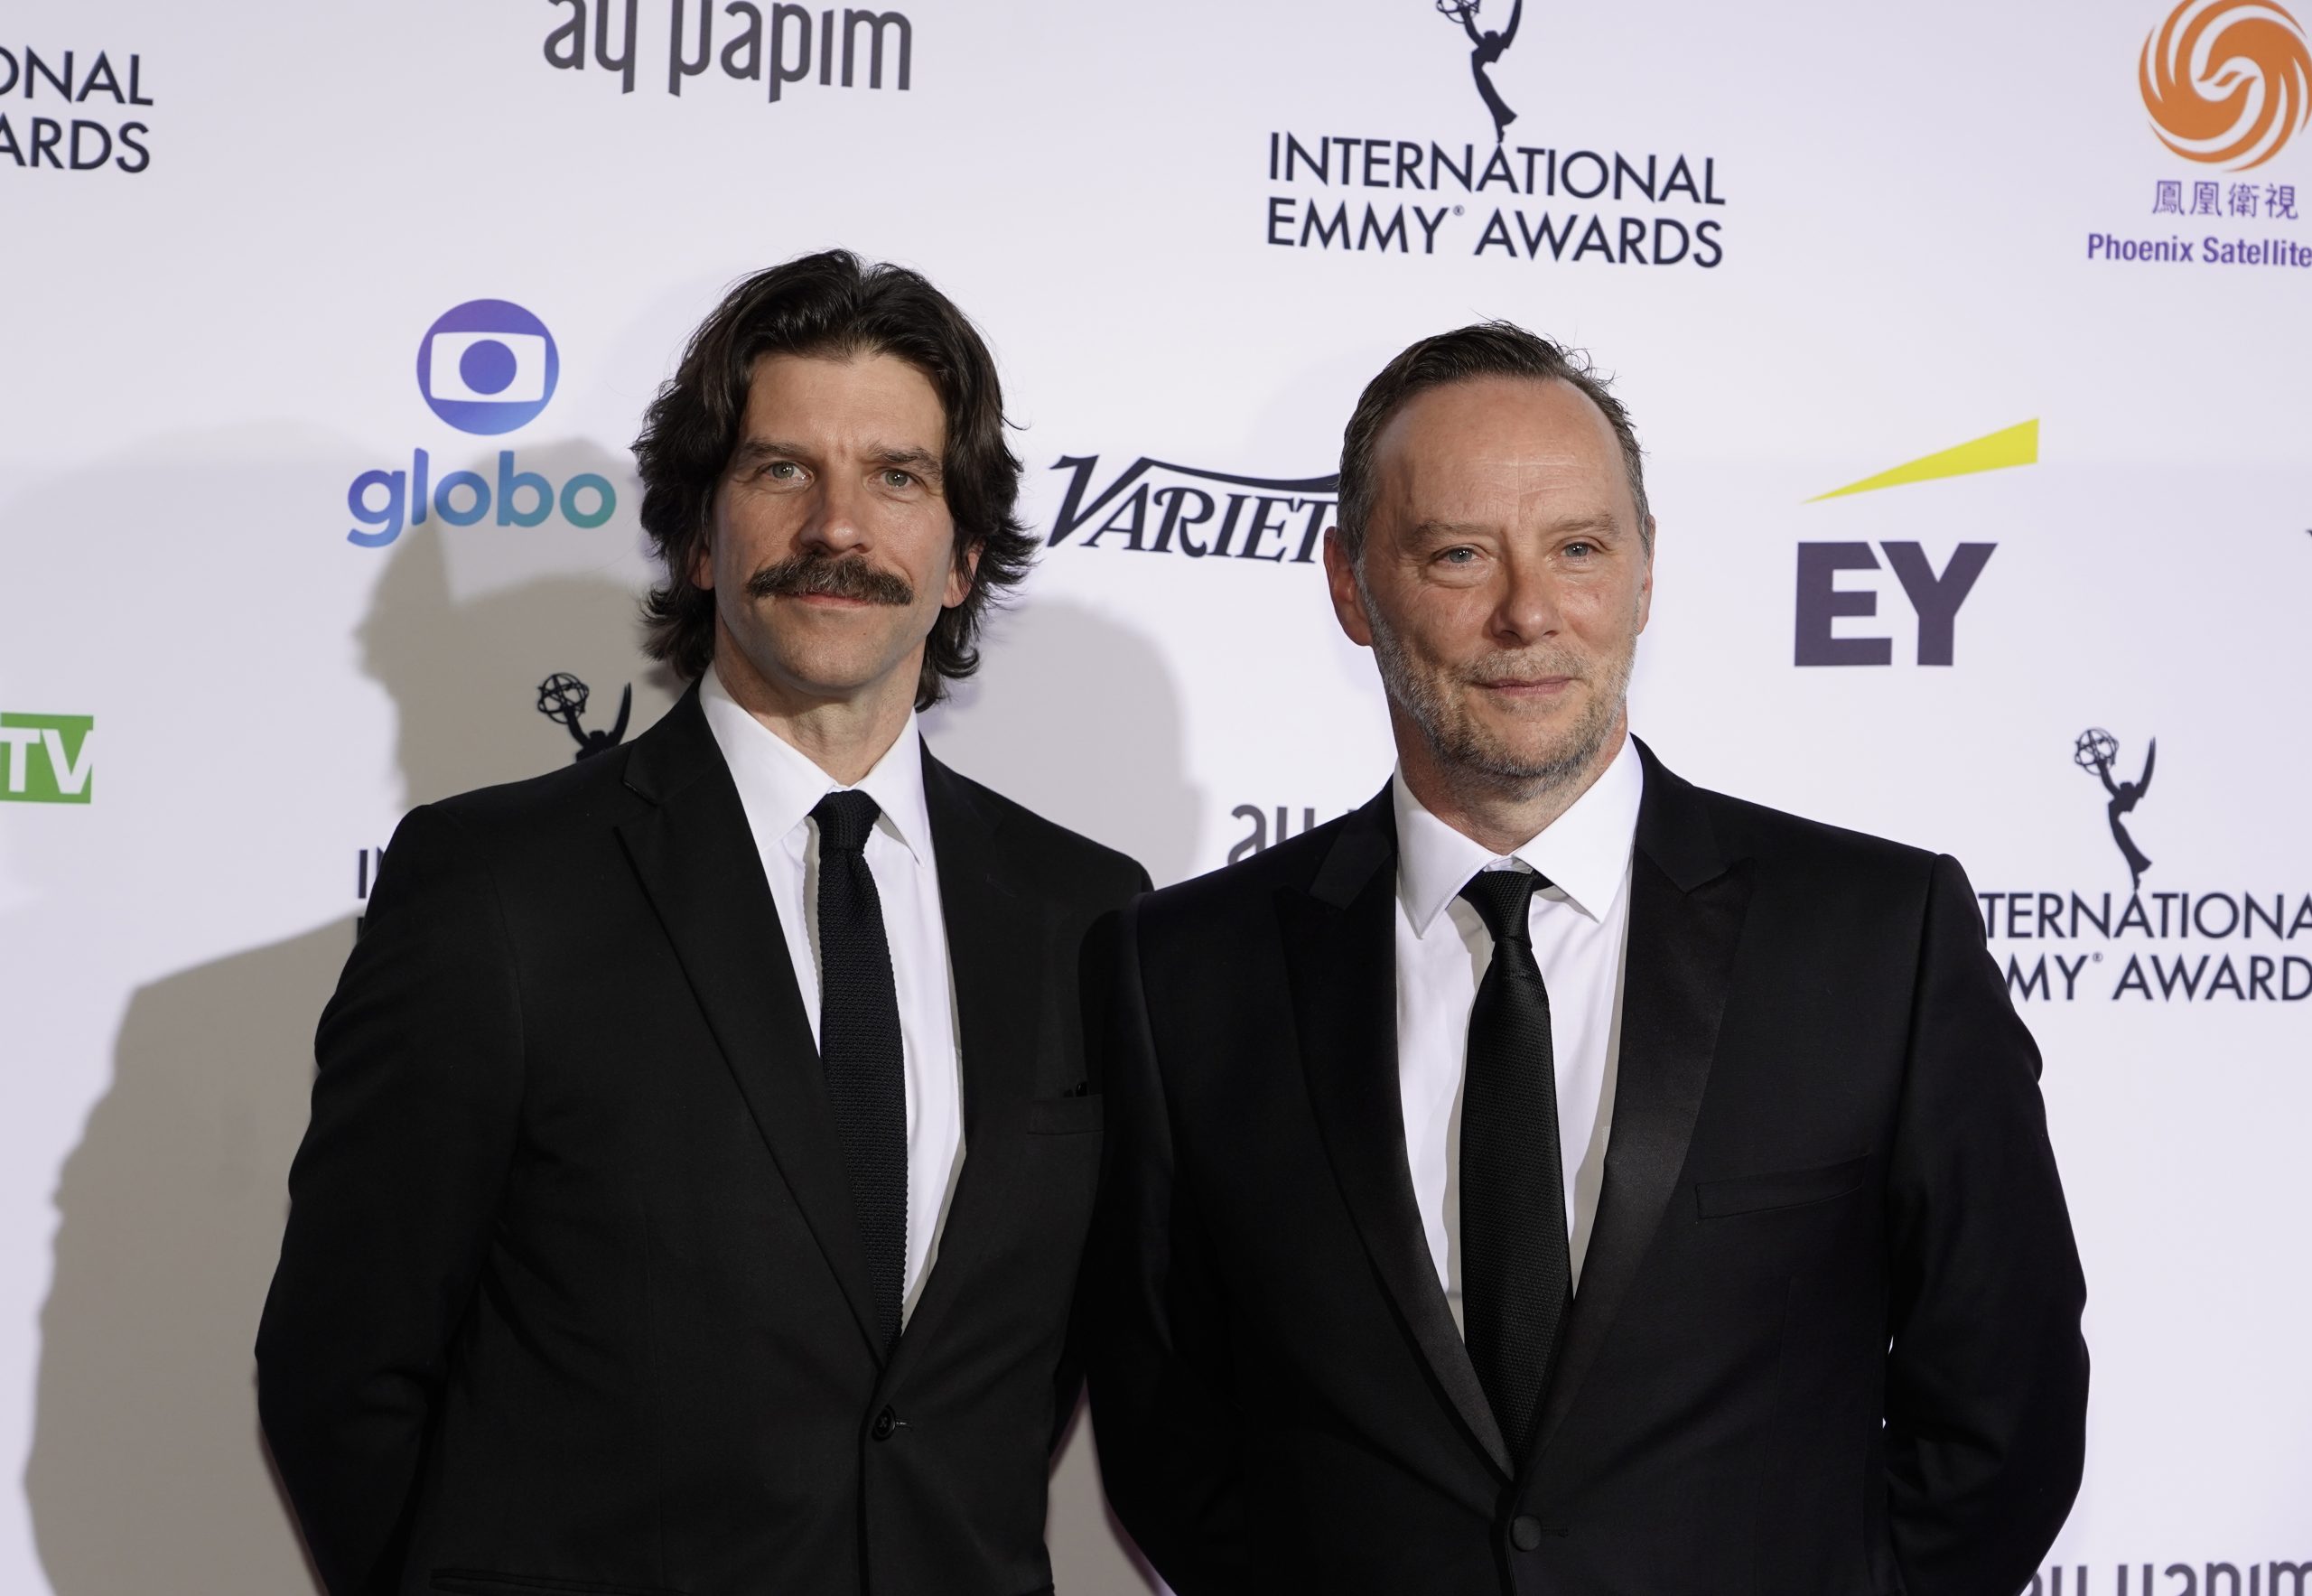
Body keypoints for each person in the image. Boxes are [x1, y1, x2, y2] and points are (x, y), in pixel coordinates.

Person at [1087, 322, 2089, 1595]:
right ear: (1350, 585)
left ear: (1646, 572)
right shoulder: (1185, 974)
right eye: (1458, 555)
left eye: (1579, 549)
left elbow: (2005, 1409)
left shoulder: (1879, 939)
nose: (1530, 613)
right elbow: (1168, 1433)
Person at [257, 250, 1146, 1596]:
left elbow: (1054, 1369)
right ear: (696, 533)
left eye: (898, 478)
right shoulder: (498, 888)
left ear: (964, 558)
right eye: (780, 470)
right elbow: (344, 1367)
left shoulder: (1088, 917)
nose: (839, 528)